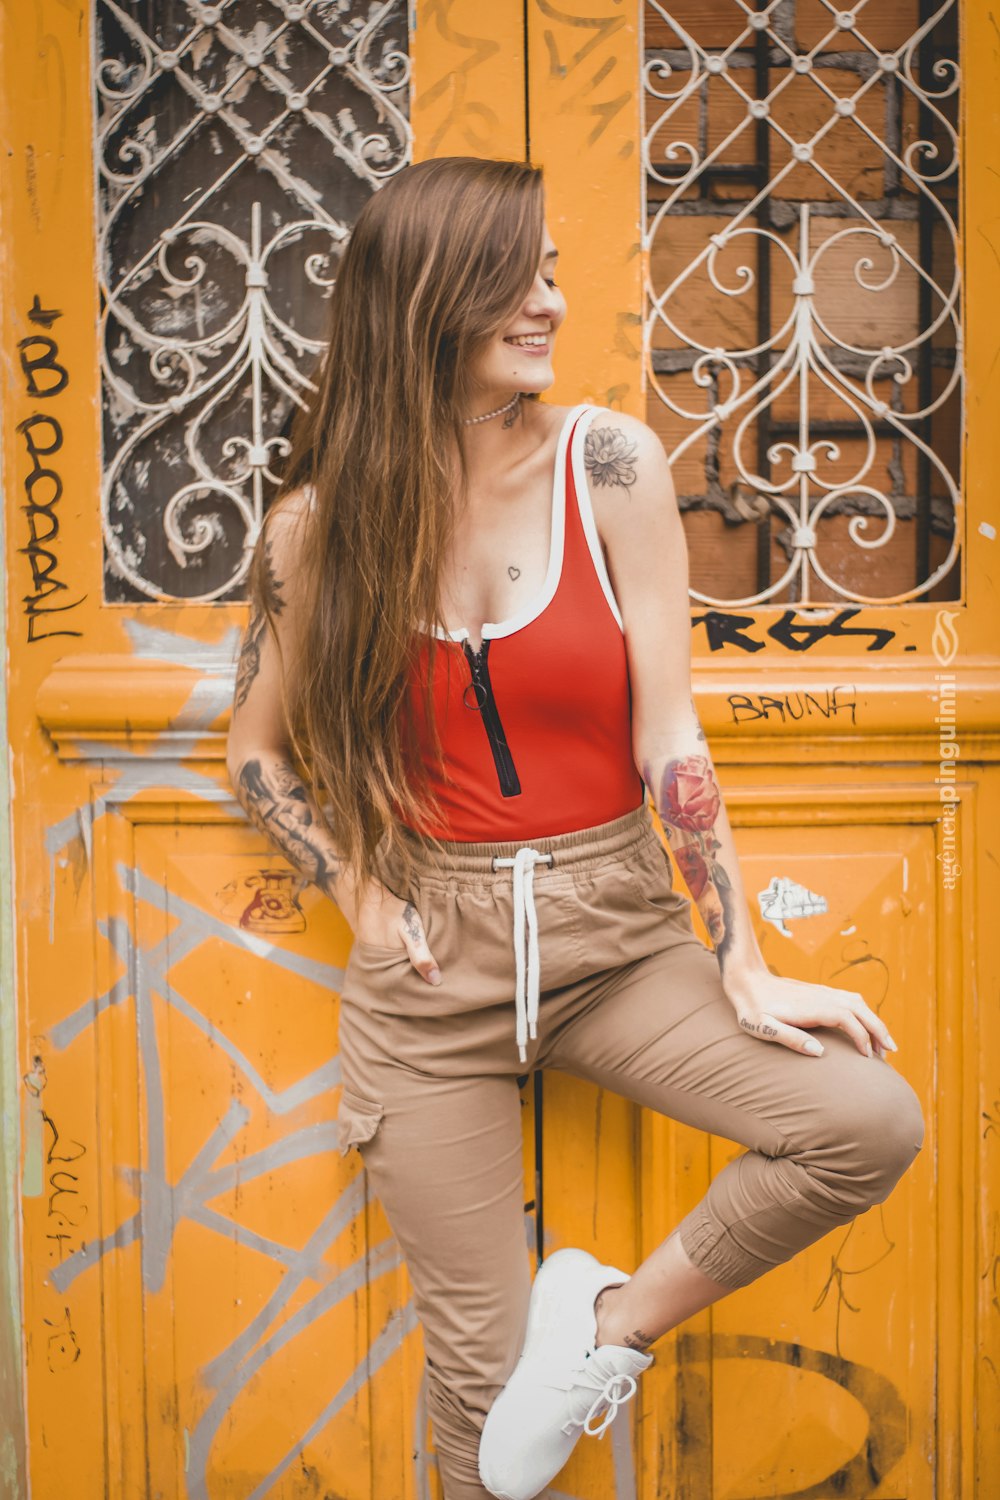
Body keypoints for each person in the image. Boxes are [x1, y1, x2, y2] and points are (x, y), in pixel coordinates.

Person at [225, 155, 924, 1500]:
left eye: (550, 268)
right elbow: (259, 750)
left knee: (866, 1121)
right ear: (427, 296)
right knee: (492, 1426)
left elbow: (671, 735)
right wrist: (366, 901)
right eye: (515, 275)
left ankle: (604, 1329)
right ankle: (528, 1388)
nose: (548, 300)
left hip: (620, 938)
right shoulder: (316, 531)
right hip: (434, 984)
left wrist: (741, 960)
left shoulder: (608, 462)